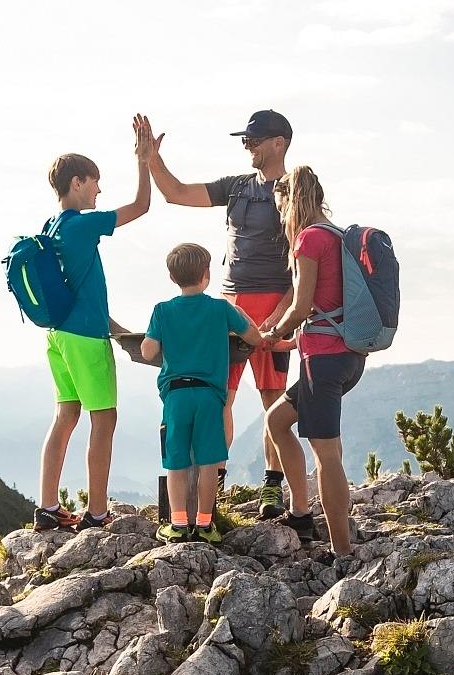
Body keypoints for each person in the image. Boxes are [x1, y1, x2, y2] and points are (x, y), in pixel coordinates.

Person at [132, 108, 295, 522]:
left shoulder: (296, 190)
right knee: (221, 394)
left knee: (273, 400)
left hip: (275, 300)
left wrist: (283, 315)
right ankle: (214, 483)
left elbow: (304, 262)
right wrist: (152, 160)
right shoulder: (237, 186)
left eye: (254, 140)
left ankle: (272, 484)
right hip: (232, 303)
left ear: (279, 143)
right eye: (245, 140)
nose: (248, 146)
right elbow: (176, 193)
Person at [33, 133, 153, 532]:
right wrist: (144, 161)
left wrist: (117, 330)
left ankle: (47, 507)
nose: (99, 190)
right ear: (77, 182)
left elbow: (79, 290)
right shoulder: (84, 224)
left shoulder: (51, 227)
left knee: (66, 415)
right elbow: (141, 206)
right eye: (95, 181)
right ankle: (97, 513)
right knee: (104, 419)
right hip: (85, 338)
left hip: (58, 335)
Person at [137, 242, 270, 544]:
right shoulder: (221, 309)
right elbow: (254, 337)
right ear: (206, 275)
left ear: (172, 278)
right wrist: (239, 314)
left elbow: (148, 351)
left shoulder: (162, 311)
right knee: (209, 461)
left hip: (176, 395)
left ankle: (178, 524)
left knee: (176, 461)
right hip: (210, 396)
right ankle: (205, 524)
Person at [263, 166, 362, 561]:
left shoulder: (308, 239)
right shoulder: (339, 236)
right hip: (347, 355)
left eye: (280, 208)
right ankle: (301, 513)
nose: (280, 217)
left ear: (292, 201)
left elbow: (302, 306)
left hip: (322, 361)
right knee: (276, 420)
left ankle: (342, 552)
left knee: (327, 455)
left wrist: (273, 335)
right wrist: (292, 337)